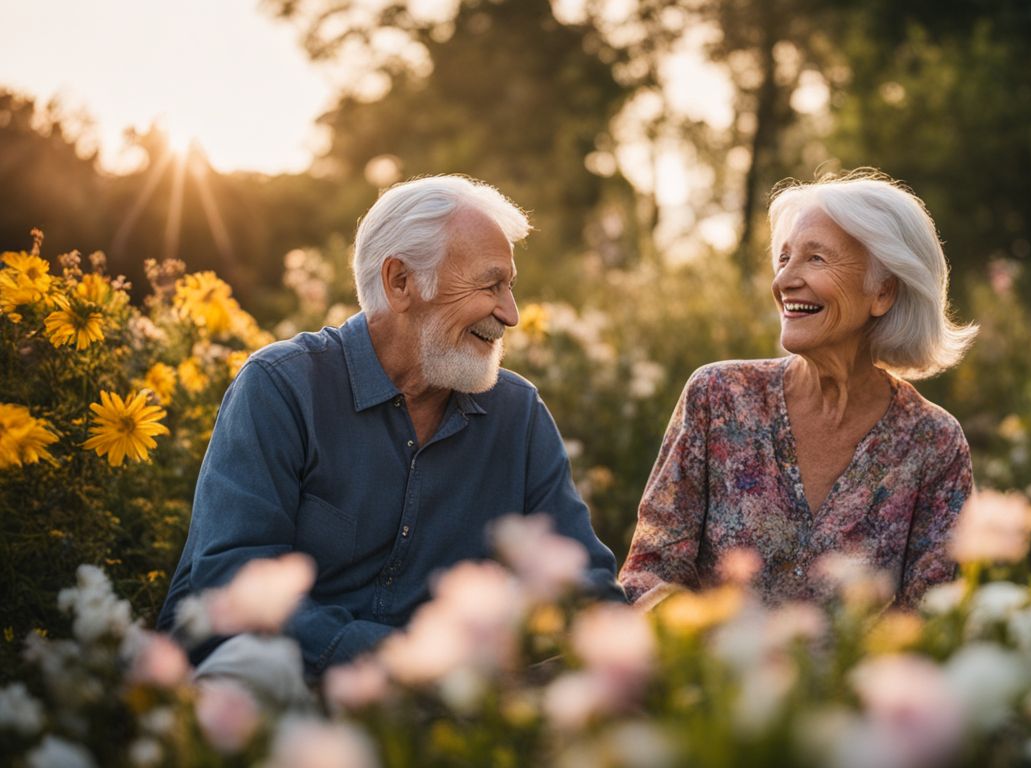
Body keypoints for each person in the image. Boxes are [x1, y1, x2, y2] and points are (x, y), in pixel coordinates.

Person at [158, 175, 622, 697]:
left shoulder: (518, 415)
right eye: (490, 285)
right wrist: (401, 664)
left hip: (440, 704)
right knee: (252, 671)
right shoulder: (282, 387)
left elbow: (584, 583)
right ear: (400, 281)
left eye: (509, 287)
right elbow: (233, 580)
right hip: (291, 680)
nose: (509, 314)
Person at [619, 171, 977, 609]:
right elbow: (649, 571)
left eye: (816, 259)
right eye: (784, 259)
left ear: (883, 292)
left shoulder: (933, 443)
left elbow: (935, 619)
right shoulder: (719, 397)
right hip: (712, 674)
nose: (785, 280)